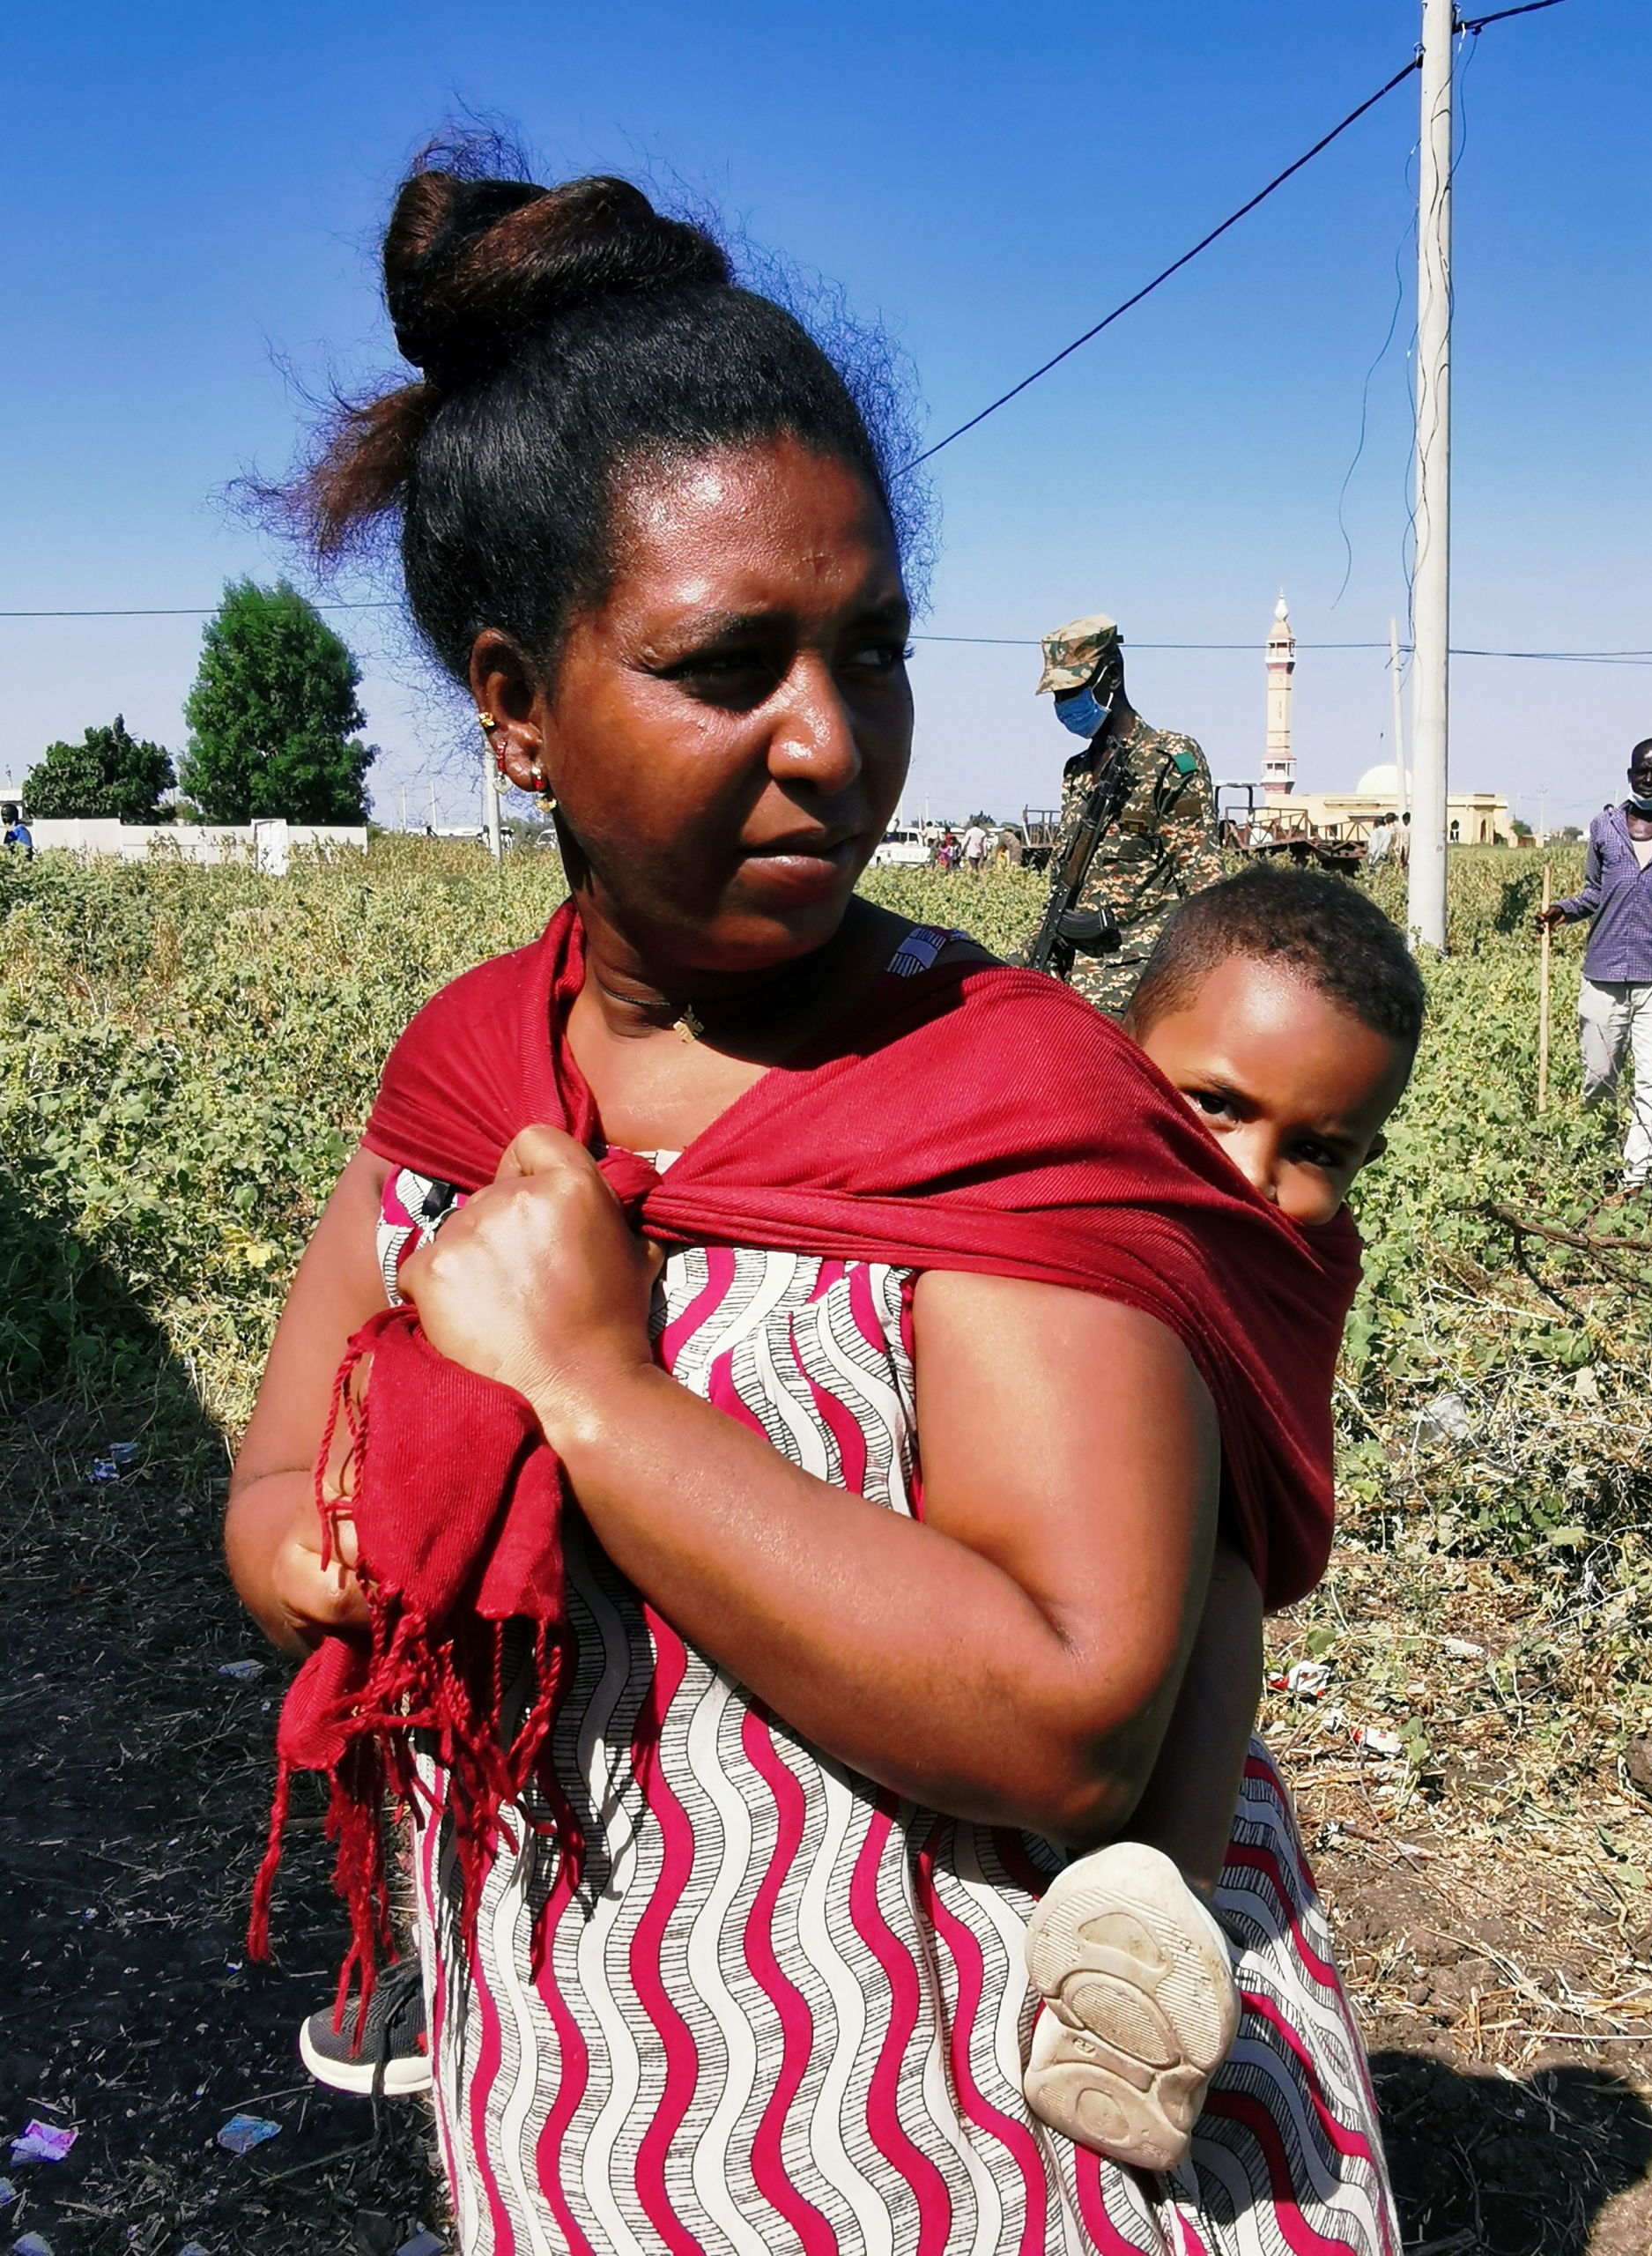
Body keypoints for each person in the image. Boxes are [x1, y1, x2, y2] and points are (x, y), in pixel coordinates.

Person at [227, 145, 1397, 2252]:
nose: (830, 740)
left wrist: (597, 1391)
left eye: (868, 649)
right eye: (724, 663)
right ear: (515, 707)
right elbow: (277, 1462)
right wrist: (311, 1545)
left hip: (979, 2130)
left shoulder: (1003, 1094)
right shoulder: (468, 1076)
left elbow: (1065, 1717)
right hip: (587, 2085)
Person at [1023, 866, 1420, 2169]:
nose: (1251, 1174)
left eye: (1319, 1151)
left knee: (1228, 1575)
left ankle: (1157, 1936)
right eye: (1213, 1104)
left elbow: (1270, 1442)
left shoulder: (1309, 1255)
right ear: (1121, 1051)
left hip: (1201, 1561)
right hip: (1022, 1546)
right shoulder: (1040, 1156)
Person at [1537, 738, 1652, 1190]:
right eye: (1641, 771)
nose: (1648, 779)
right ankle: (1595, 1151)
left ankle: (1637, 1178)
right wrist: (1565, 910)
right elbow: (1596, 892)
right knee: (1599, 1077)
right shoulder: (1605, 827)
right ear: (1629, 774)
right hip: (1604, 972)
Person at [1035, 616, 1223, 1012]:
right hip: (1070, 973)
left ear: (1113, 676)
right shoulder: (1076, 772)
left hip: (1137, 979)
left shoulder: (1169, 760)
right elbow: (1062, 882)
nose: (1064, 705)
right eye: (1058, 696)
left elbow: (1203, 887)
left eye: (1073, 691)